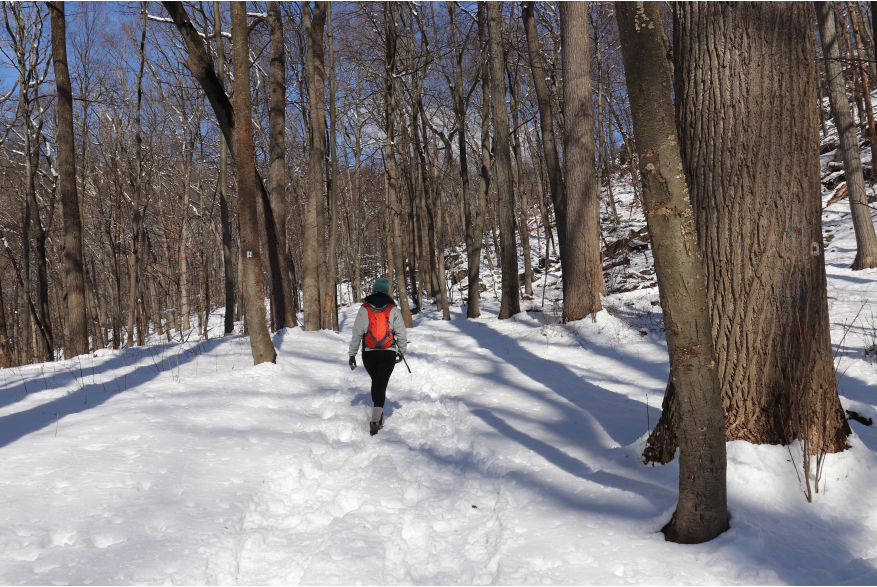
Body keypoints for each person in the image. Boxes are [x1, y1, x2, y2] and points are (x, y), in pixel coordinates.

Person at [348, 278, 407, 436]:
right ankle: (375, 420)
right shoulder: (392, 308)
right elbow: (401, 332)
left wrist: (352, 354)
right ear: (386, 291)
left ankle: (377, 413)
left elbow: (357, 333)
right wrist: (401, 350)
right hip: (388, 352)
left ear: (374, 290)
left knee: (376, 382)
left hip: (369, 353)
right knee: (380, 384)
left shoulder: (364, 308)